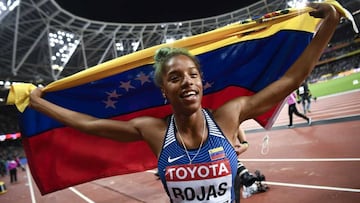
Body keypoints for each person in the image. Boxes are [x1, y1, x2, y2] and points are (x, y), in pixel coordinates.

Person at [28, 3, 340, 202]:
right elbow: (90, 124)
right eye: (176, 77)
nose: (187, 81)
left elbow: (290, 81)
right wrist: (41, 105)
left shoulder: (228, 117)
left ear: (202, 84)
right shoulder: (152, 131)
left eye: (193, 75)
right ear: (164, 91)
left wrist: (328, 24)